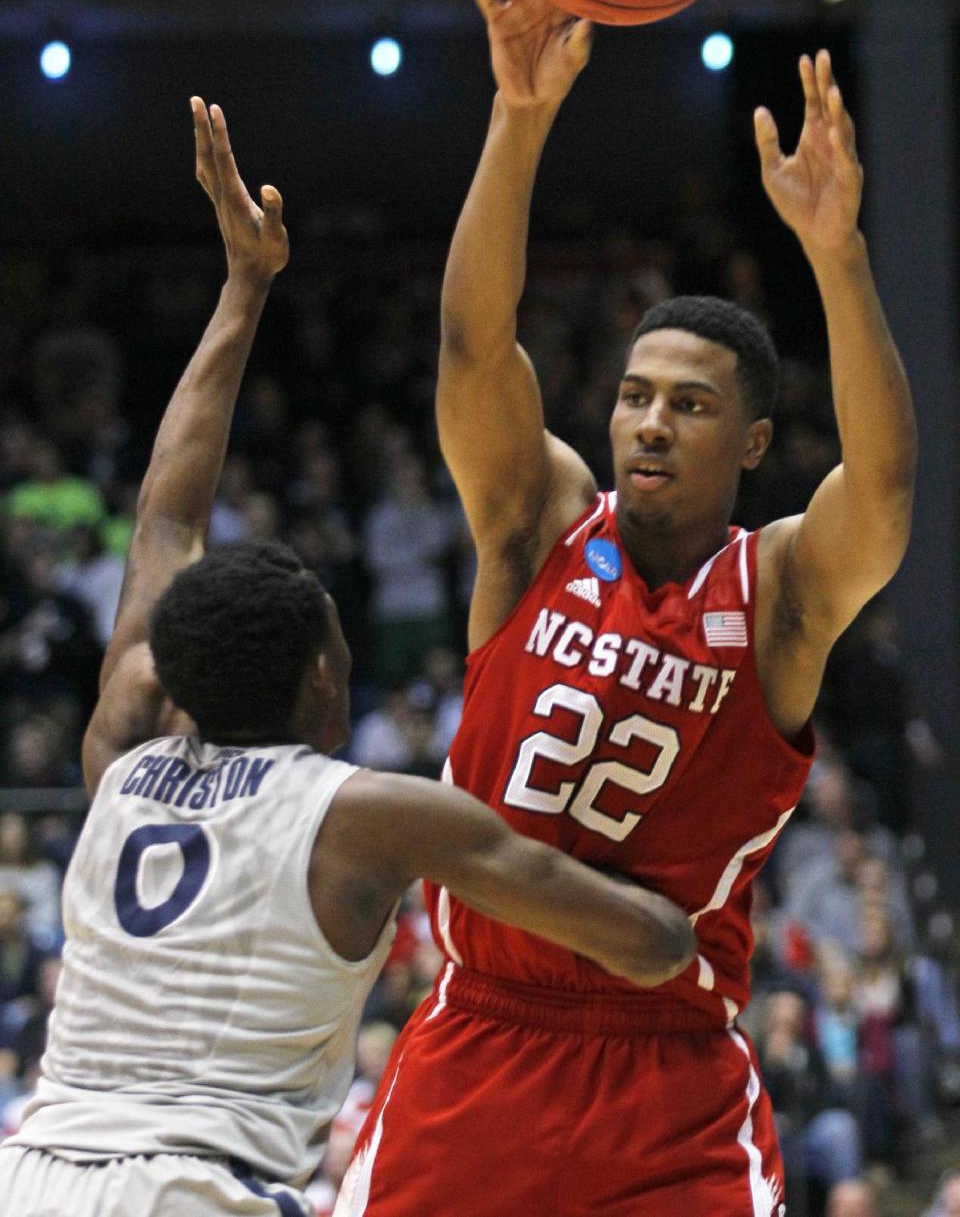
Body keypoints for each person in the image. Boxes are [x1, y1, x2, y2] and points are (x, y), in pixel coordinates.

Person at [0, 98, 694, 1217]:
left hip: (30, 1175)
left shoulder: (119, 758)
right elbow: (649, 943)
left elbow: (164, 521)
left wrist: (244, 289)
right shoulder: (369, 810)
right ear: (325, 677)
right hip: (196, 1190)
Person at [338, 0, 916, 1217]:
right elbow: (472, 342)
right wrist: (519, 115)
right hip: (479, 1038)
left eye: (692, 405)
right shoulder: (533, 525)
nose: (651, 421)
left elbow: (880, 495)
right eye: (637, 396)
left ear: (752, 439)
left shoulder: (778, 600)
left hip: (669, 1068)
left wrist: (836, 252)